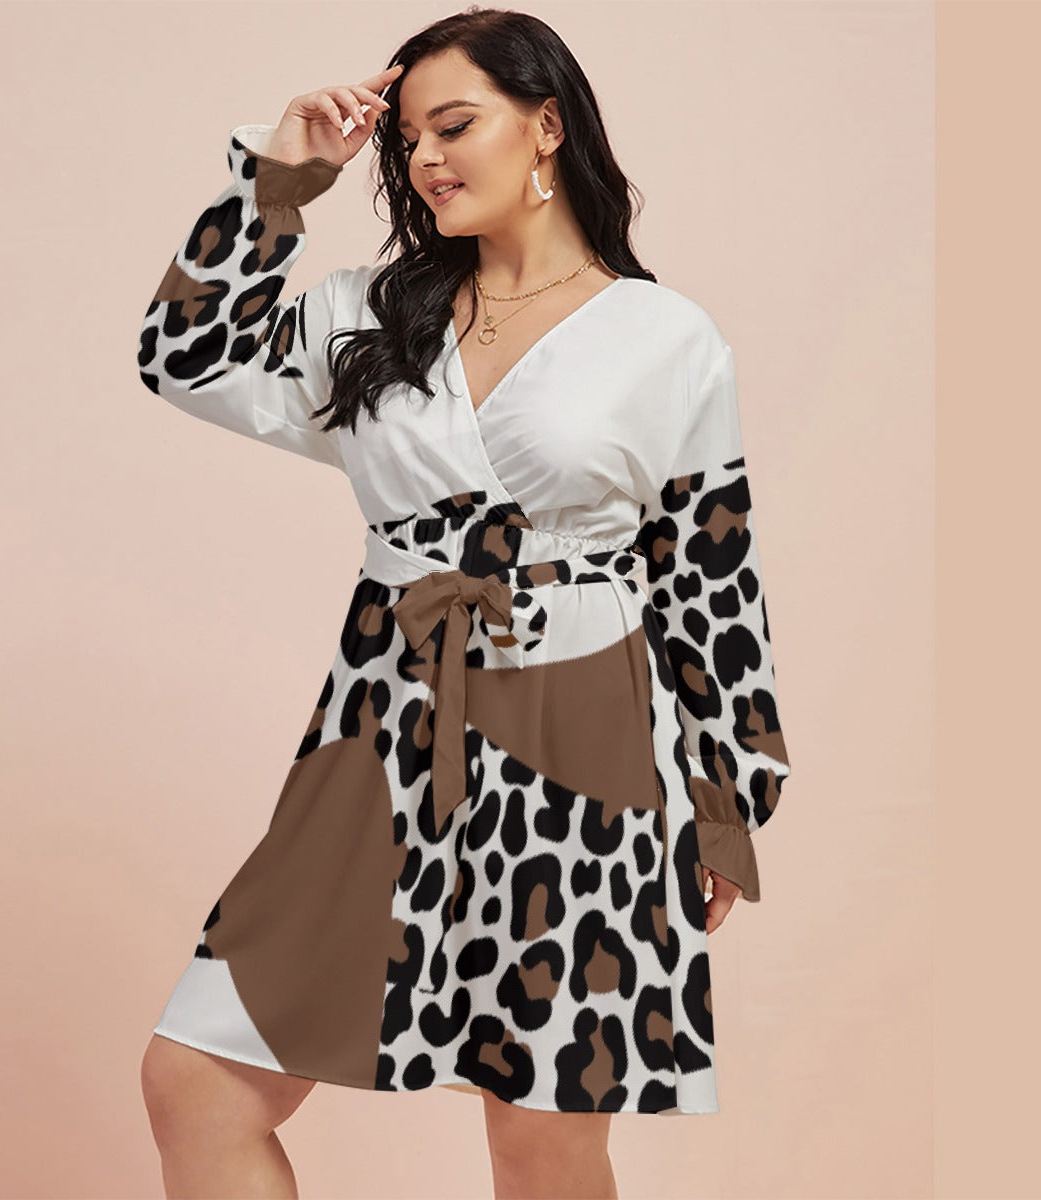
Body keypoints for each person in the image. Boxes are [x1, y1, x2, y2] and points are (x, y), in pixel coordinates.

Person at [138, 9, 790, 1198]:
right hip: (384, 728)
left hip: (583, 742)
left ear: (546, 125)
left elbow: (709, 573)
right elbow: (184, 353)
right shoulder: (367, 315)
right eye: (410, 140)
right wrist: (282, 181)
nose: (426, 158)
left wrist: (727, 798)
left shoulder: (665, 338)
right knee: (197, 1081)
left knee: (539, 1134)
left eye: (455, 125)